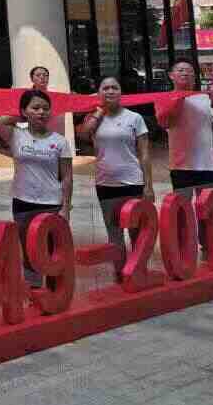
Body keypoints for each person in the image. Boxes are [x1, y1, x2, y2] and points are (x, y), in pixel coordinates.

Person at [0, 88, 73, 285]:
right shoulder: (15, 135)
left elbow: (67, 177)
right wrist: (21, 118)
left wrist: (65, 208)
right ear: (24, 111)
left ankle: (54, 292)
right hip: (23, 203)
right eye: (35, 108)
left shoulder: (60, 141)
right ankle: (34, 290)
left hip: (52, 204)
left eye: (45, 108)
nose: (41, 112)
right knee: (29, 251)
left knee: (52, 251)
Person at [77, 76, 153, 279]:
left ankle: (138, 270)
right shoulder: (94, 118)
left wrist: (148, 185)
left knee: (136, 230)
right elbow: (83, 135)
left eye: (114, 87)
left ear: (121, 92)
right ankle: (120, 272)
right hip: (105, 183)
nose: (110, 91)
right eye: (105, 88)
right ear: (99, 93)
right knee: (114, 231)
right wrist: (98, 112)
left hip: (133, 183)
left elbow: (144, 153)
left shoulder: (135, 118)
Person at [159, 58, 213, 252]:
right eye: (180, 70)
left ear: (194, 76)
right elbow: (165, 122)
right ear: (171, 76)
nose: (185, 73)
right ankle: (185, 250)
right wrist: (179, 98)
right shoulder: (164, 98)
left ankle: (209, 249)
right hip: (181, 166)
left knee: (209, 214)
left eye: (189, 70)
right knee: (181, 212)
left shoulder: (205, 99)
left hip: (208, 166)